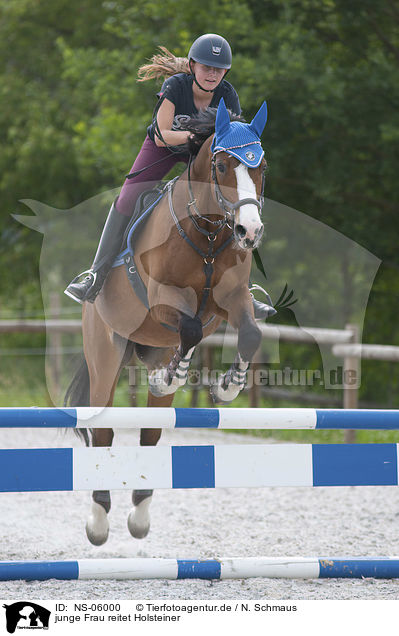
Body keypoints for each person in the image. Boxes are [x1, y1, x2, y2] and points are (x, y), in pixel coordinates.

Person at [64, 33, 275, 319]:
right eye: (206, 67)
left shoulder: (228, 93)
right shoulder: (175, 86)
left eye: (218, 69)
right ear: (192, 66)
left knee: (229, 205)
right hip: (163, 148)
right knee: (127, 198)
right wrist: (196, 135)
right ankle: (96, 275)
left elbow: (231, 143)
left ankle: (244, 289)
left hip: (202, 154)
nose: (212, 74)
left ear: (225, 71)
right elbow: (163, 135)